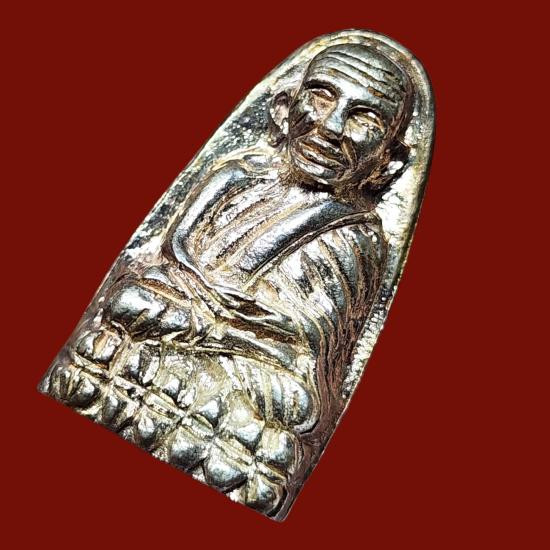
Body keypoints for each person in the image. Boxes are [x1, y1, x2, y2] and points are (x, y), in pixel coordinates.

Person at [62, 43, 414, 515]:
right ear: (283, 109)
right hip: (176, 312)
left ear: (389, 161)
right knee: (129, 299)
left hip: (254, 368)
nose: (331, 128)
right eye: (321, 97)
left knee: (297, 406)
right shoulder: (237, 173)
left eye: (363, 119)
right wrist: (198, 305)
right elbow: (173, 252)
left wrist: (211, 324)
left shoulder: (356, 236)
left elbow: (310, 346)